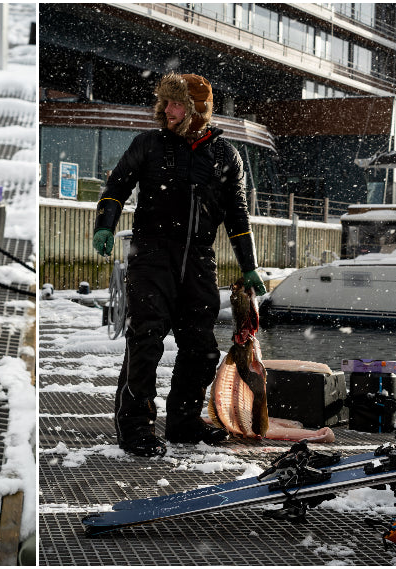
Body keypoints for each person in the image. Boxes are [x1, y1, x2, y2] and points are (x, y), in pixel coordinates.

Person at [92, 72, 267, 457]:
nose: (166, 111)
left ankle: (184, 423)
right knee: (146, 342)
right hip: (151, 257)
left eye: (175, 105)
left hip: (200, 262)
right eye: (165, 103)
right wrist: (105, 225)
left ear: (196, 111)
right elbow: (116, 187)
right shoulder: (148, 144)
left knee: (202, 349)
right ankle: (135, 427)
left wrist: (249, 267)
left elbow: (239, 218)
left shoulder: (226, 156)